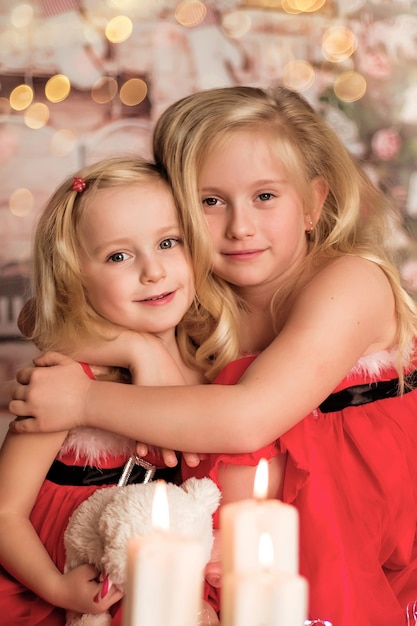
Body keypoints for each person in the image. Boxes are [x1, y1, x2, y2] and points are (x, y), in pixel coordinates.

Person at [9, 86, 417, 626]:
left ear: (314, 203)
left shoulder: (350, 282)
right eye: (210, 201)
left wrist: (86, 399)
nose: (239, 227)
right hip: (250, 545)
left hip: (359, 530)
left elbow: (246, 420)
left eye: (265, 197)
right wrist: (135, 346)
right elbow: (41, 316)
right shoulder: (201, 296)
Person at [0, 155, 237, 625]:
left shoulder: (213, 361)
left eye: (169, 242)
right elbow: (4, 511)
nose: (153, 271)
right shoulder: (66, 381)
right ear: (75, 278)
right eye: (119, 256)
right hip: (68, 586)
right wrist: (55, 586)